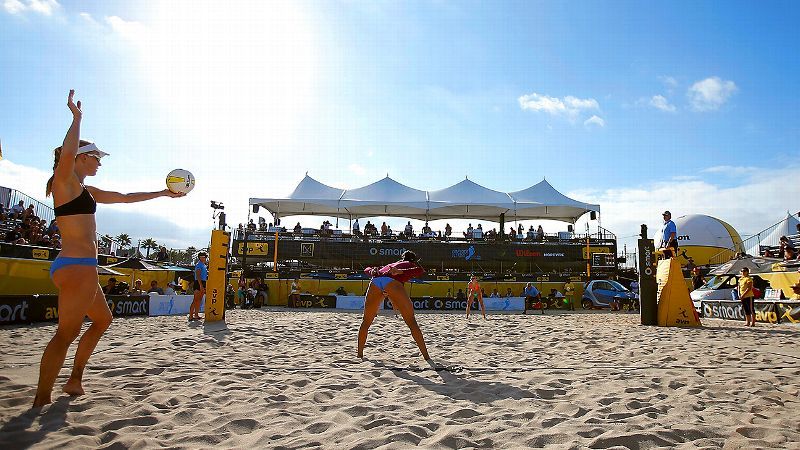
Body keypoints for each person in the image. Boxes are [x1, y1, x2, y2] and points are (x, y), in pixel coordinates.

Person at [33, 90, 185, 408]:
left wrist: (162, 193)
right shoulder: (65, 180)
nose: (100, 162)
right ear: (80, 157)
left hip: (80, 264)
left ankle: (74, 380)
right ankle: (40, 399)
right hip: (77, 264)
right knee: (66, 333)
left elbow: (125, 197)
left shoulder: (83, 189)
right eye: (96, 157)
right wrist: (77, 119)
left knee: (103, 320)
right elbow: (66, 156)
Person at [358, 250, 432, 363]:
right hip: (393, 282)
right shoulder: (410, 264)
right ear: (413, 259)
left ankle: (359, 354)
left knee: (366, 321)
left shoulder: (389, 265)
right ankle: (426, 357)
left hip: (375, 281)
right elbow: (420, 270)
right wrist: (400, 272)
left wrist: (371, 271)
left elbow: (367, 269)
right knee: (412, 322)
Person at [189, 252, 208, 321]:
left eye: (205, 257)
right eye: (202, 257)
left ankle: (196, 315)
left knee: (199, 300)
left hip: (203, 282)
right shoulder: (199, 265)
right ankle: (191, 315)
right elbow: (198, 275)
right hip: (198, 282)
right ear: (199, 257)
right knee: (195, 299)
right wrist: (201, 285)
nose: (204, 258)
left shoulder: (204, 265)